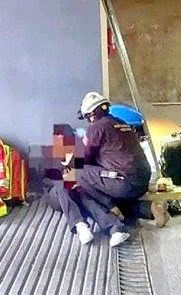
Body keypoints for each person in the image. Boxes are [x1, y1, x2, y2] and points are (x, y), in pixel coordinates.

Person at [76, 92, 170, 228]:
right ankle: (151, 209)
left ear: (90, 115)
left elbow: (84, 159)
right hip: (143, 182)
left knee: (77, 171)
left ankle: (111, 208)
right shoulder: (121, 123)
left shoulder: (97, 127)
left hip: (125, 184)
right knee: (115, 195)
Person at [45, 181, 130, 247]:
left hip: (77, 189)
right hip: (56, 193)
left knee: (85, 198)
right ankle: (80, 225)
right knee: (63, 186)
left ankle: (114, 228)